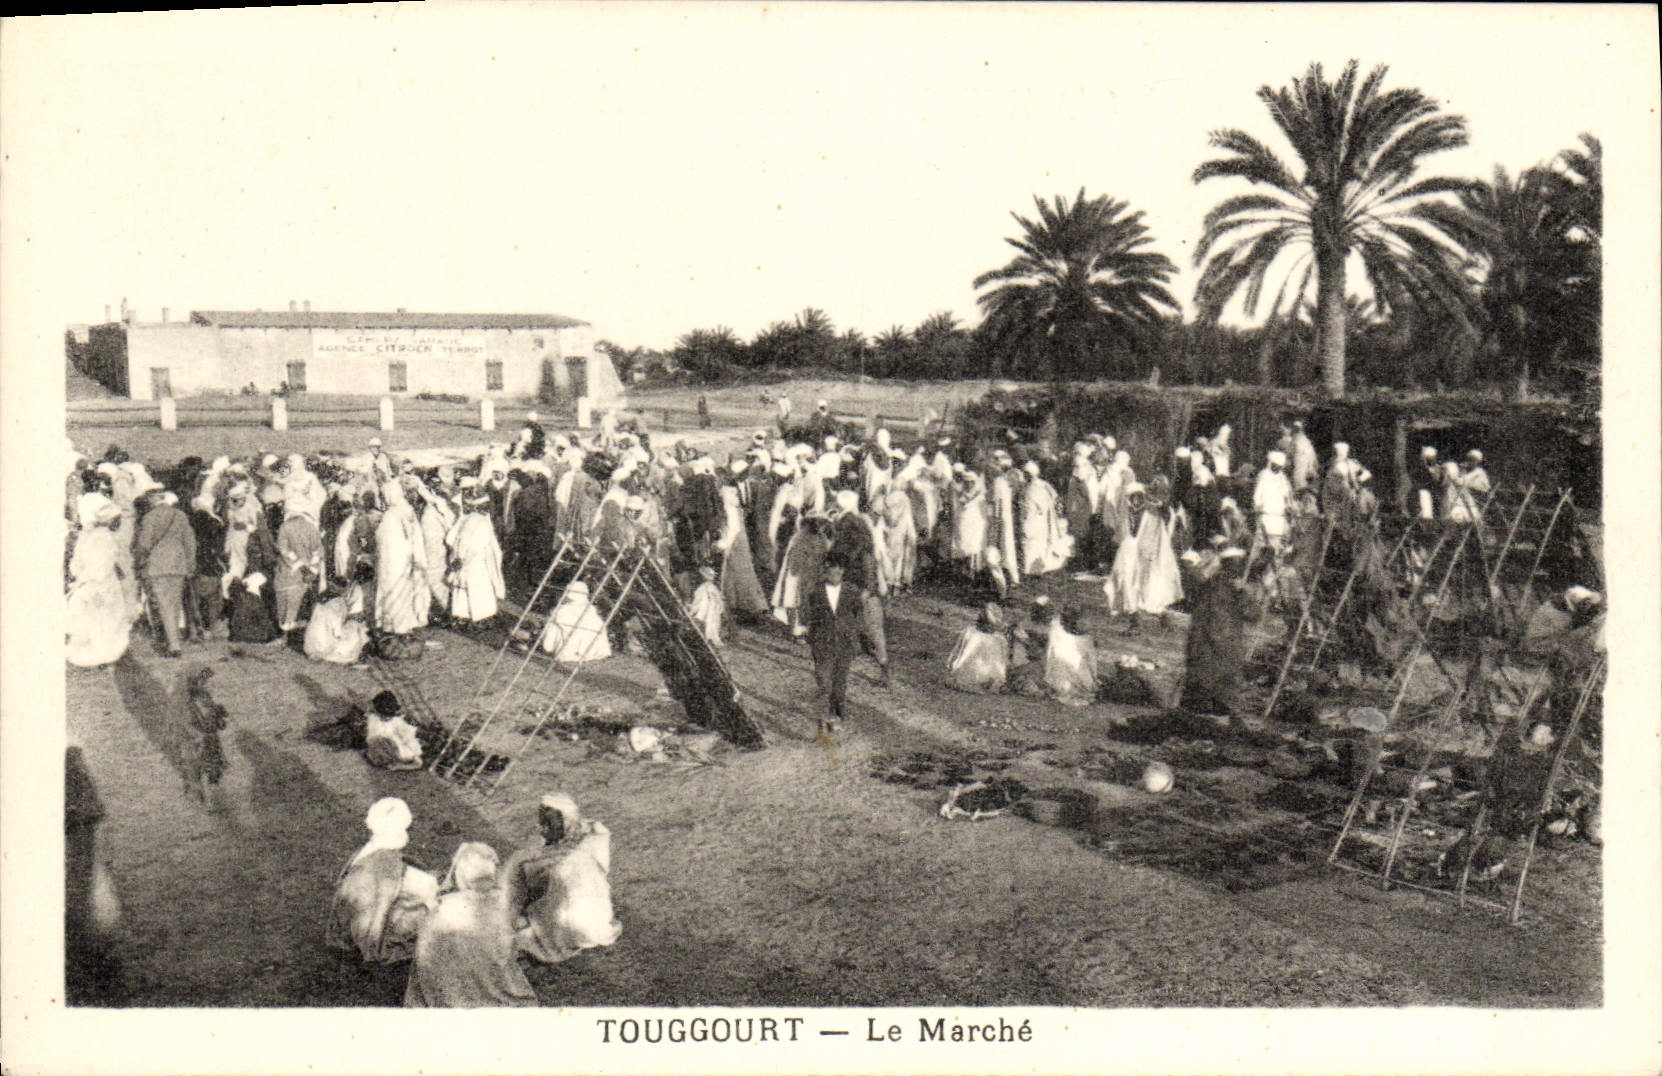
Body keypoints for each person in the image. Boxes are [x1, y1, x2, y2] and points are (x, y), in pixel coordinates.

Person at [405, 842, 537, 1008]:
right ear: (492, 873)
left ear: (460, 874)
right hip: (506, 1004)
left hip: (446, 1004)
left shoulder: (436, 907)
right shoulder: (508, 906)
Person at [503, 792, 623, 965]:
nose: (542, 828)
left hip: (571, 911)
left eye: (547, 823)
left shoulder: (585, 849)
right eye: (542, 822)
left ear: (565, 821)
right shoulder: (585, 842)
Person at [327, 798, 440, 965]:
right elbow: (423, 890)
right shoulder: (390, 865)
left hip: (348, 926)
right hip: (370, 932)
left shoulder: (363, 855)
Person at [1178, 548, 1264, 720]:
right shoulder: (1234, 588)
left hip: (1205, 639)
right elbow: (1253, 614)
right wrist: (1245, 594)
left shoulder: (1210, 583)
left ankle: (1197, 708)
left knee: (1201, 677)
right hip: (1223, 641)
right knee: (1221, 679)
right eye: (1238, 564)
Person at [1104, 483, 1184, 630]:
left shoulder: (1152, 514)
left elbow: (1166, 521)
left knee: (1150, 588)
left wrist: (1162, 507)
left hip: (1147, 556)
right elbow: (1120, 536)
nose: (1135, 501)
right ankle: (1134, 620)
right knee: (1127, 584)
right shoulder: (1125, 515)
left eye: (1139, 497)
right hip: (1128, 555)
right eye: (1132, 497)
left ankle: (1163, 618)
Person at [66, 501, 134, 668]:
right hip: (104, 584)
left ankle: (93, 655)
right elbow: (105, 565)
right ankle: (106, 656)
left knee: (91, 621)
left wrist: (81, 579)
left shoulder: (86, 536)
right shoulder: (107, 538)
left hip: (86, 583)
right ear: (110, 520)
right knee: (109, 620)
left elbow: (75, 565)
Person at [805, 554, 862, 735]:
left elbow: (857, 614)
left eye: (837, 568)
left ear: (842, 571)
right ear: (825, 570)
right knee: (823, 678)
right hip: (823, 642)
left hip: (844, 642)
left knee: (840, 682)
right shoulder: (816, 591)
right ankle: (825, 709)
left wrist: (854, 635)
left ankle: (834, 715)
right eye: (829, 568)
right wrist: (811, 637)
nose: (833, 572)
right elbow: (810, 616)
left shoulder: (852, 591)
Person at [134, 489, 196, 657]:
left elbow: (145, 544)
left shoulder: (150, 518)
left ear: (152, 501)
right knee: (174, 603)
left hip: (158, 565)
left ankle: (173, 644)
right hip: (178, 563)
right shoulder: (180, 515)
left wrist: (138, 561)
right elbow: (190, 542)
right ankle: (174, 640)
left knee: (163, 604)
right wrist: (190, 563)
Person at [375, 478, 429, 637]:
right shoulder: (407, 510)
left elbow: (384, 540)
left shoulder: (391, 515)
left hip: (392, 562)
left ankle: (395, 626)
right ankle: (406, 623)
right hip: (408, 558)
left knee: (393, 592)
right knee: (406, 591)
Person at [447, 491, 505, 629]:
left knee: (463, 589)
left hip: (463, 560)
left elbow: (451, 539)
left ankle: (462, 617)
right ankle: (481, 618)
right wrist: (464, 559)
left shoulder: (465, 519)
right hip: (476, 560)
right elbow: (478, 545)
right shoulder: (481, 522)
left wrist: (458, 557)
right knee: (479, 588)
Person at [304, 562, 374, 665]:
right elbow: (337, 632)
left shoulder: (321, 600)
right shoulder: (339, 602)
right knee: (357, 635)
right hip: (322, 647)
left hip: (309, 644)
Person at [1020, 459, 1072, 575]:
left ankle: (1034, 570)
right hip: (1043, 518)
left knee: (1034, 543)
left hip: (1036, 519)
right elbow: (1056, 499)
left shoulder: (1033, 488)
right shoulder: (1043, 485)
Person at [540, 579, 612, 662]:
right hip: (588, 645)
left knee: (555, 625)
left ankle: (555, 648)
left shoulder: (563, 610)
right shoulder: (590, 609)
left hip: (570, 645)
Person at [947, 603, 1011, 694]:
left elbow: (1002, 662)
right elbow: (959, 651)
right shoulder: (970, 632)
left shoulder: (999, 639)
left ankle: (986, 683)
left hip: (989, 675)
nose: (988, 627)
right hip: (967, 672)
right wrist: (953, 667)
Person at [1043, 603, 1098, 707]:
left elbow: (1050, 659)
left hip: (1060, 684)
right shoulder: (1087, 640)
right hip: (1082, 684)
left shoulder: (1056, 634)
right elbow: (1092, 667)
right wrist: (1093, 681)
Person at [364, 690, 426, 771]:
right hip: (379, 750)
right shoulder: (374, 718)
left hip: (395, 751)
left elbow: (408, 738)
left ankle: (395, 763)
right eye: (379, 713)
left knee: (387, 742)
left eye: (386, 715)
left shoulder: (397, 723)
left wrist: (402, 764)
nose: (383, 717)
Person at [687, 565, 725, 646]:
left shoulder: (703, 588)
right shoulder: (713, 588)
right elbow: (719, 602)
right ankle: (711, 638)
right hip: (713, 609)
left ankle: (705, 639)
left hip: (707, 609)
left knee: (706, 623)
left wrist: (691, 609)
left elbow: (699, 601)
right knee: (712, 625)